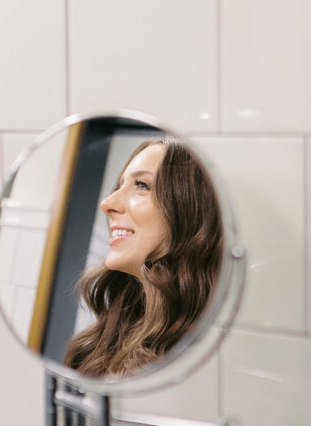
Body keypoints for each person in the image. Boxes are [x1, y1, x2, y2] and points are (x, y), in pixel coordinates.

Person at [64, 136, 222, 378]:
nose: (107, 203)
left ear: (190, 212)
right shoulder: (102, 343)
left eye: (141, 185)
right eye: (120, 185)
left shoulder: (209, 355)